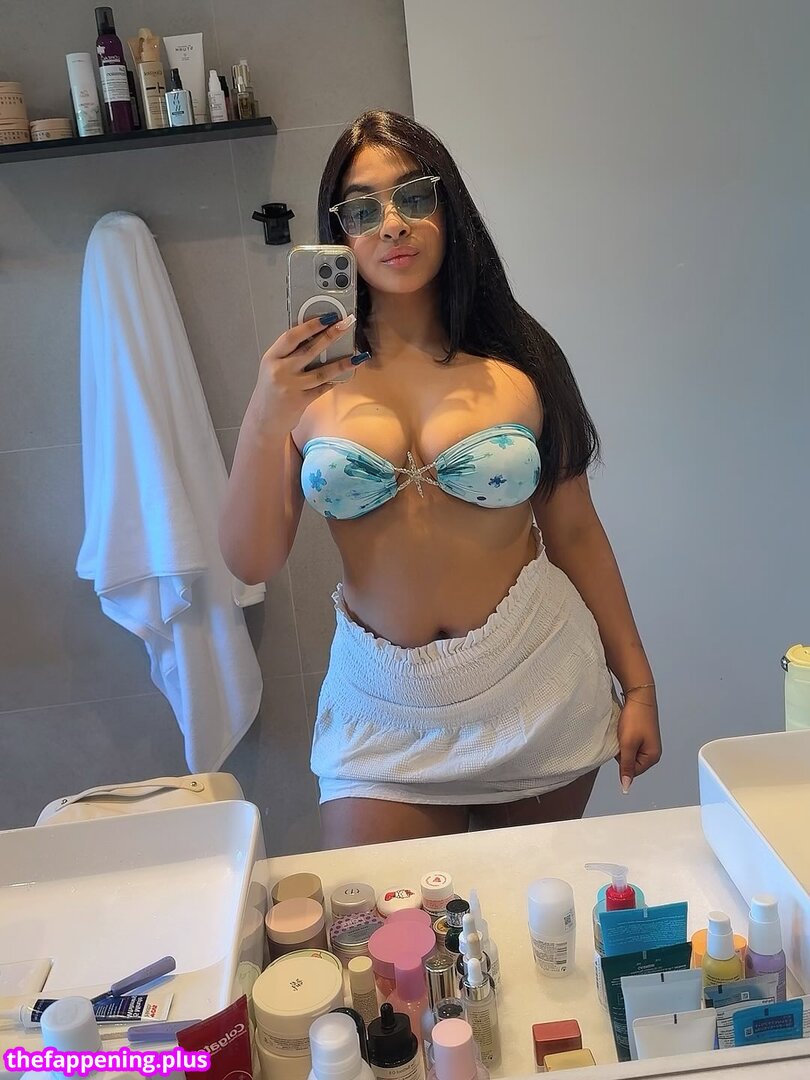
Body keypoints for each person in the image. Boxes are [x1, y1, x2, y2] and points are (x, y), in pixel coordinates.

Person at [220, 110, 661, 849]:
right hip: (383, 713)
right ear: (339, 235)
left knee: (527, 918)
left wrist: (638, 683)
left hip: (537, 687)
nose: (392, 224)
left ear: (448, 207)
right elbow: (251, 561)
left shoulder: (522, 360)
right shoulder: (300, 385)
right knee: (378, 919)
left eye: (414, 196)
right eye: (362, 210)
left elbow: (577, 532)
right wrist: (265, 414)